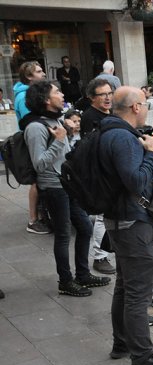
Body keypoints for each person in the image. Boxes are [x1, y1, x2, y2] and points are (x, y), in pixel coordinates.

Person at [100, 86, 153, 365]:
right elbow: (134, 181)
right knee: (137, 294)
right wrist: (150, 153)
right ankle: (143, 357)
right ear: (135, 107)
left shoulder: (111, 132)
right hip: (132, 223)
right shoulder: (122, 138)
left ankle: (122, 344)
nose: (147, 108)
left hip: (122, 221)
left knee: (124, 286)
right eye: (145, 103)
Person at [24, 80, 110, 297]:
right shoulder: (35, 127)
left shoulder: (57, 120)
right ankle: (65, 281)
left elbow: (65, 154)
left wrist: (69, 135)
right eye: (57, 92)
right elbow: (40, 164)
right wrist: (59, 140)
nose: (62, 95)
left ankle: (83, 274)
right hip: (53, 187)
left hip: (68, 184)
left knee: (85, 228)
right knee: (63, 235)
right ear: (45, 100)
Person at [80, 78, 117, 275]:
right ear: (92, 98)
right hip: (100, 174)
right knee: (103, 217)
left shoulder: (109, 114)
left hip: (111, 172)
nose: (107, 97)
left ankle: (108, 250)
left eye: (110, 93)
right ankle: (100, 256)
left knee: (106, 217)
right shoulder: (90, 117)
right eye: (102, 94)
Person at [15, 61, 51, 235]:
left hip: (37, 140)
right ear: (29, 76)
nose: (43, 73)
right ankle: (33, 220)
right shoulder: (24, 97)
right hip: (32, 142)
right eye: (38, 71)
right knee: (36, 180)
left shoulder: (31, 93)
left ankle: (42, 215)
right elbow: (29, 122)